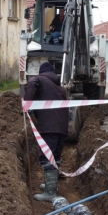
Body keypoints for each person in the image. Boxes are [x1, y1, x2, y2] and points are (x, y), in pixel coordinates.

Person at [24, 62, 68, 201]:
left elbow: (32, 81)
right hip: (62, 128)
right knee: (55, 156)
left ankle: (50, 193)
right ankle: (51, 186)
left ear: (41, 72)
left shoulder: (39, 80)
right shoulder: (59, 88)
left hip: (49, 127)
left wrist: (28, 106)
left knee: (47, 157)